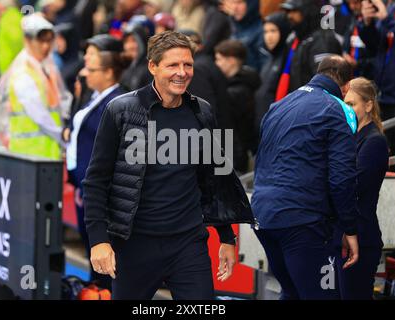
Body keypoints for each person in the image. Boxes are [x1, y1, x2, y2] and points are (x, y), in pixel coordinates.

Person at [82, 31, 253, 300]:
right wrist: (99, 240)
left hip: (188, 244)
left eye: (188, 65)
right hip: (135, 245)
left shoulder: (202, 112)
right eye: (173, 65)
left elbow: (214, 180)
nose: (182, 73)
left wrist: (227, 237)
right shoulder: (121, 110)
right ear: (153, 66)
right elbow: (96, 180)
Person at [251, 55, 359, 300]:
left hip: (263, 215)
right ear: (346, 86)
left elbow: (262, 160)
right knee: (322, 295)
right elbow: (342, 177)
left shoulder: (279, 105)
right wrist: (349, 228)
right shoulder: (338, 108)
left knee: (292, 293)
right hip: (302, 219)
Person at [65, 36, 128, 288]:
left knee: (105, 259)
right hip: (86, 188)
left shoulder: (118, 101)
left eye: (91, 69)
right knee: (93, 253)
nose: (84, 72)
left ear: (109, 71)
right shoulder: (95, 97)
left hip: (101, 193)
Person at [0, 13, 72, 160]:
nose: (45, 46)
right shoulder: (23, 72)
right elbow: (39, 114)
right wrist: (62, 136)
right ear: (27, 40)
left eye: (49, 41)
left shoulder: (48, 68)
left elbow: (61, 102)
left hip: (48, 151)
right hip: (27, 154)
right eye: (40, 41)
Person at [335, 77, 388, 300]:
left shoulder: (374, 141)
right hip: (346, 233)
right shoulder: (351, 137)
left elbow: (354, 185)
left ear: (368, 105)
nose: (347, 110)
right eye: (344, 105)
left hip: (361, 236)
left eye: (352, 104)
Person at [358, 0, 395, 173]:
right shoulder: (392, 8)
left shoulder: (389, 14)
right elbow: (375, 44)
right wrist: (367, 23)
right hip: (383, 93)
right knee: (383, 155)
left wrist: (387, 19)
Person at [275, 0, 342, 100]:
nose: (289, 16)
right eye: (288, 12)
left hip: (314, 105)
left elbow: (326, 82)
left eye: (294, 11)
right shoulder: (294, 40)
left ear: (307, 11)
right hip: (296, 103)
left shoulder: (323, 40)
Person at [214, 39, 261, 173]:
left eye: (219, 59)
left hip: (238, 150)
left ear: (231, 60)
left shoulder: (236, 91)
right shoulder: (244, 82)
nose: (216, 64)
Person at [254, 12, 291, 154]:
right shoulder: (269, 59)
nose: (268, 36)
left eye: (273, 31)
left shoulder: (287, 59)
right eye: (265, 31)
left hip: (280, 131)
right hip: (265, 130)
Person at [0, 0, 23, 75]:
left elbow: (17, 41)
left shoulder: (10, 18)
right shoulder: (9, 17)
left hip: (11, 68)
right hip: (10, 67)